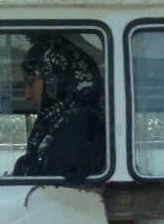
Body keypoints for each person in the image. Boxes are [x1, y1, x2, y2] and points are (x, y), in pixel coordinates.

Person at [13, 35, 105, 182]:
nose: (27, 95)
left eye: (31, 83)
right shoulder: (55, 124)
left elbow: (59, 185)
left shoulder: (79, 127)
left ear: (54, 82)